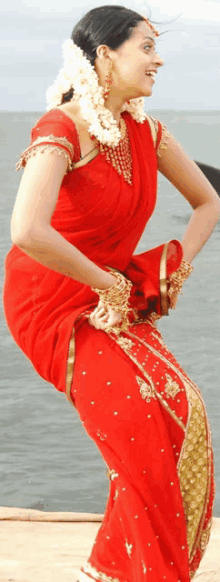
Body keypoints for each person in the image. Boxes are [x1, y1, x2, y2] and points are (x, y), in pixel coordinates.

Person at [2, 5, 220, 582]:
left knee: (184, 416)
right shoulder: (61, 129)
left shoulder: (148, 133)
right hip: (51, 302)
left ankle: (114, 571)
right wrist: (110, 284)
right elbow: (27, 230)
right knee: (146, 433)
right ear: (105, 55)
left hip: (111, 294)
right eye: (145, 47)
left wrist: (175, 271)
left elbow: (210, 203)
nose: (159, 58)